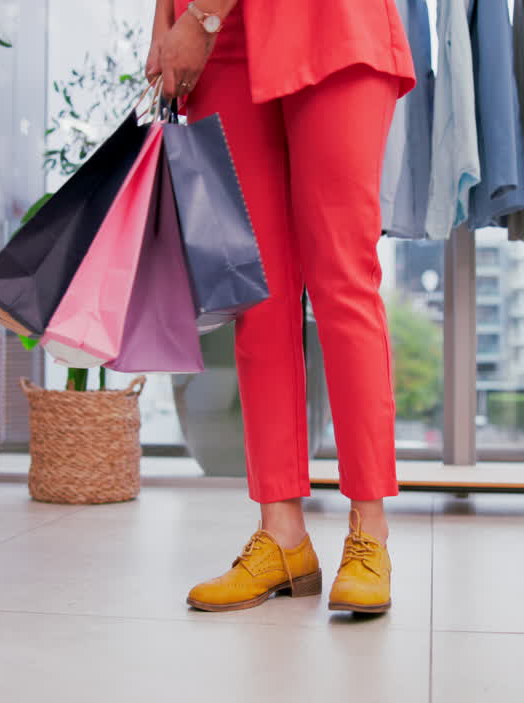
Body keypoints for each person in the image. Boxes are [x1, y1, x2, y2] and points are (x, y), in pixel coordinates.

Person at [146, 0, 416, 613]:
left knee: (342, 277)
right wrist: (167, 20)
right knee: (255, 295)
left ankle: (369, 533)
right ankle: (282, 536)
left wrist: (199, 20)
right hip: (225, 42)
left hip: (327, 19)